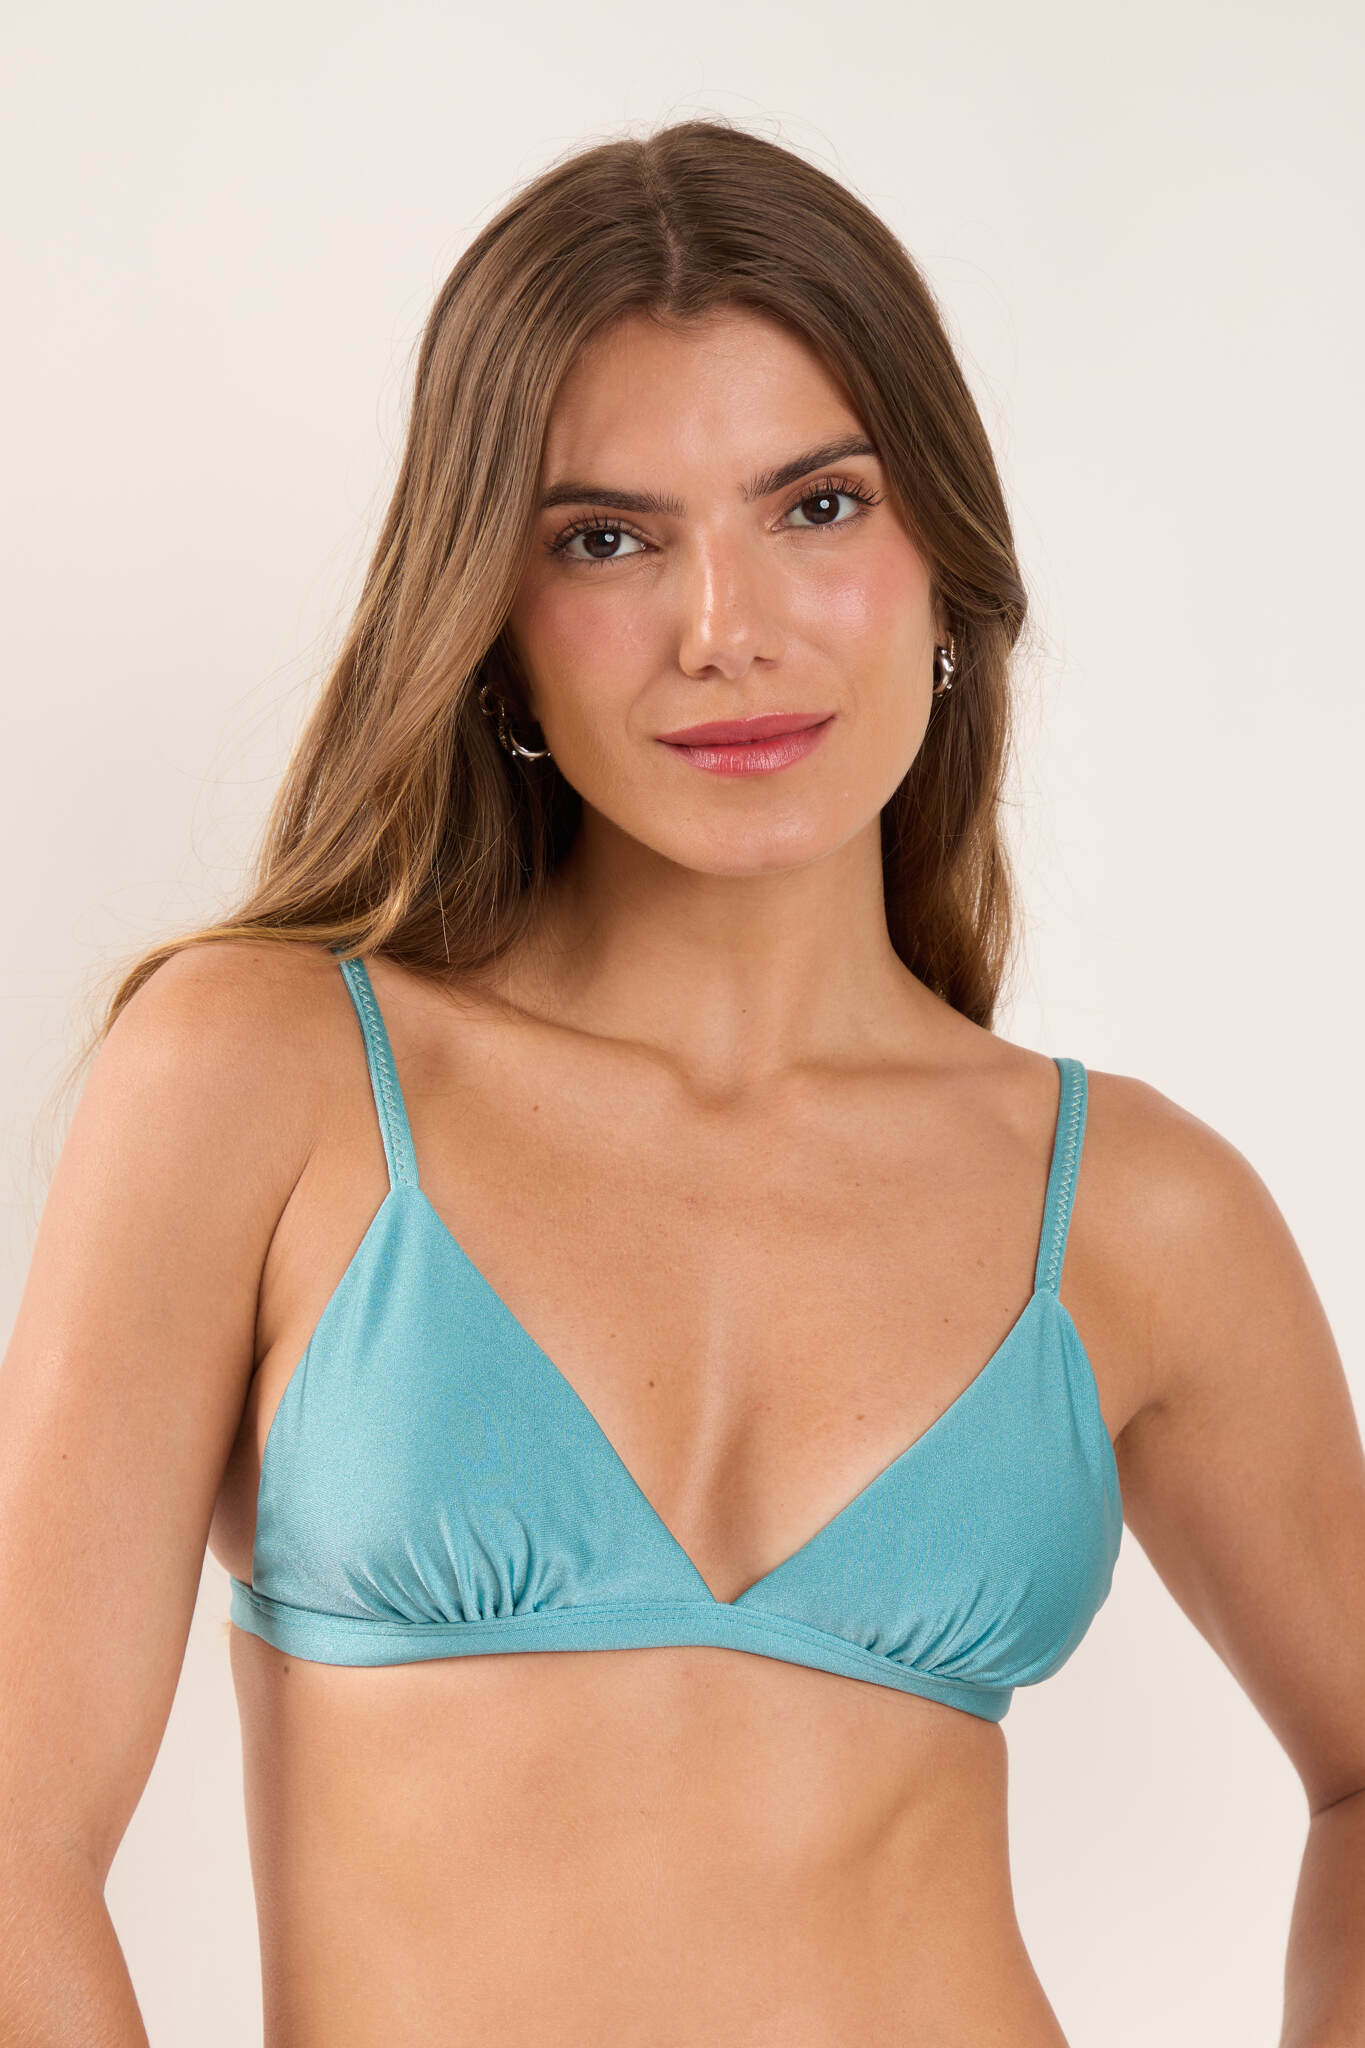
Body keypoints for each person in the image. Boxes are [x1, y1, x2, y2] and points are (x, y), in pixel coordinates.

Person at [1, 116, 1361, 2048]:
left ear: (945, 561)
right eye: (607, 538)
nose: (727, 628)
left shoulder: (1135, 1206)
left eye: (818, 506)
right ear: (492, 620)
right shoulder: (264, 1074)